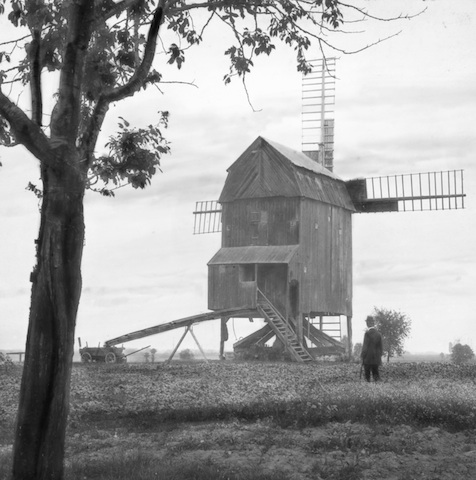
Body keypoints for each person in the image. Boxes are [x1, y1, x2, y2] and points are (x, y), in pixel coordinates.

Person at [360, 315, 383, 382]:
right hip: (376, 359)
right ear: (373, 323)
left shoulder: (367, 334)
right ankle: (378, 390)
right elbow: (381, 348)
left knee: (367, 377)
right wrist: (378, 356)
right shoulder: (379, 334)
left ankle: (368, 390)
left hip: (367, 359)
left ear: (368, 323)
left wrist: (362, 356)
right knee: (376, 376)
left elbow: (365, 347)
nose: (366, 323)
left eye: (367, 322)